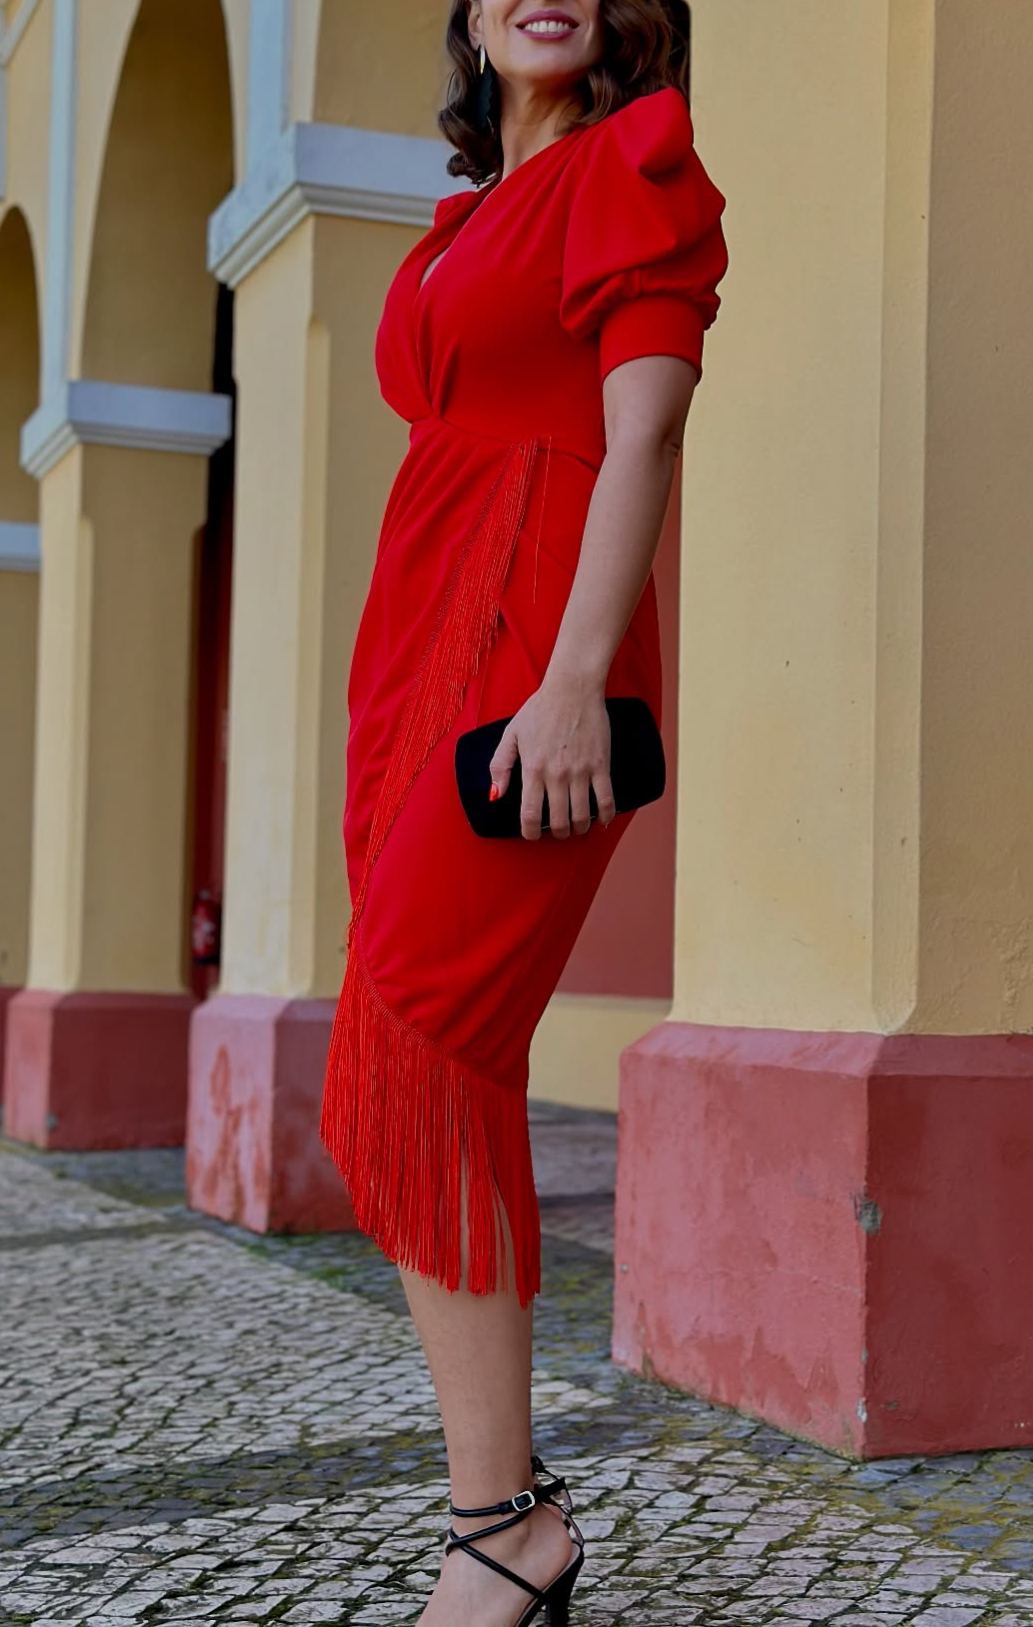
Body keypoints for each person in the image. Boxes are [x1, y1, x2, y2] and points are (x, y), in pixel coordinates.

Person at [319, 2, 728, 1620]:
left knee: (415, 1040)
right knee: (420, 1050)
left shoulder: (636, 165)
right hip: (415, 637)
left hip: (527, 641)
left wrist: (572, 679)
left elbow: (643, 428)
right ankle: (505, 1519)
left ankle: (500, 1533)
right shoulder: (461, 213)